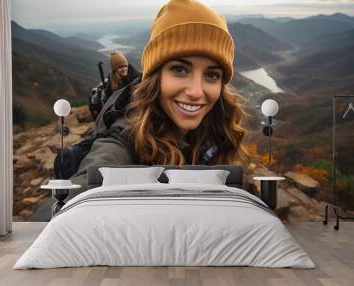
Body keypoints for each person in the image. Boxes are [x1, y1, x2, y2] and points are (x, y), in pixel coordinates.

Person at [70, 0, 250, 186]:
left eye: (212, 75)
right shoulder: (124, 140)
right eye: (180, 70)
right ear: (156, 77)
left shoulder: (218, 131)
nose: (196, 92)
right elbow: (87, 184)